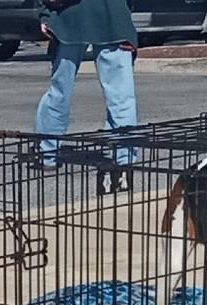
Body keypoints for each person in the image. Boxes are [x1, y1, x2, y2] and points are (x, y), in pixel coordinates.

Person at [33, 0, 140, 191]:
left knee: (59, 92)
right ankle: (123, 162)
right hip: (114, 18)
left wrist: (45, 15)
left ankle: (48, 153)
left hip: (70, 16)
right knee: (121, 97)